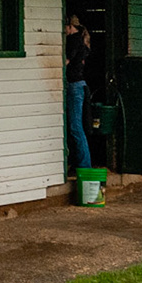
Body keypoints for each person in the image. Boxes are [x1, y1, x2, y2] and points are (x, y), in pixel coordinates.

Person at [64, 15, 92, 173]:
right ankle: (80, 164)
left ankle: (84, 166)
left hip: (74, 86)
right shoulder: (81, 40)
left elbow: (66, 61)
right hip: (79, 86)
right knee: (76, 127)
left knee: (75, 127)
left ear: (69, 26)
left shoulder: (73, 40)